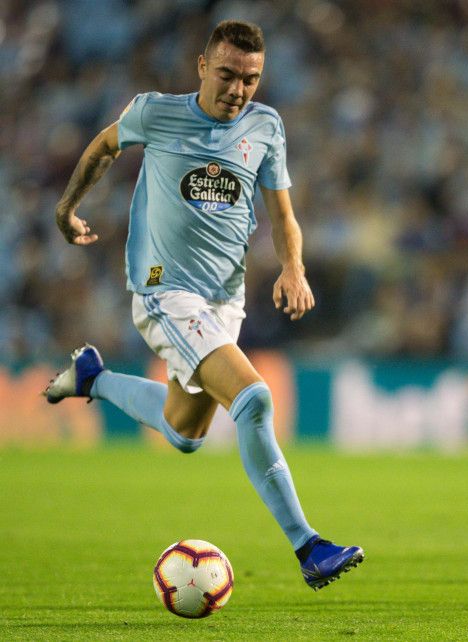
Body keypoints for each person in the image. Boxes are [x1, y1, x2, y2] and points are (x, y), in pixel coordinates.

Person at [44, 20, 363, 591]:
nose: (238, 90)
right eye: (227, 75)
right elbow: (103, 146)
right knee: (255, 398)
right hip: (164, 290)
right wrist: (68, 208)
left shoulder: (266, 126)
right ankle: (309, 546)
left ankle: (93, 379)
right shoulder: (156, 112)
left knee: (184, 432)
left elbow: (283, 215)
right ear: (201, 66)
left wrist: (293, 266)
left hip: (224, 301)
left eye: (251, 79)